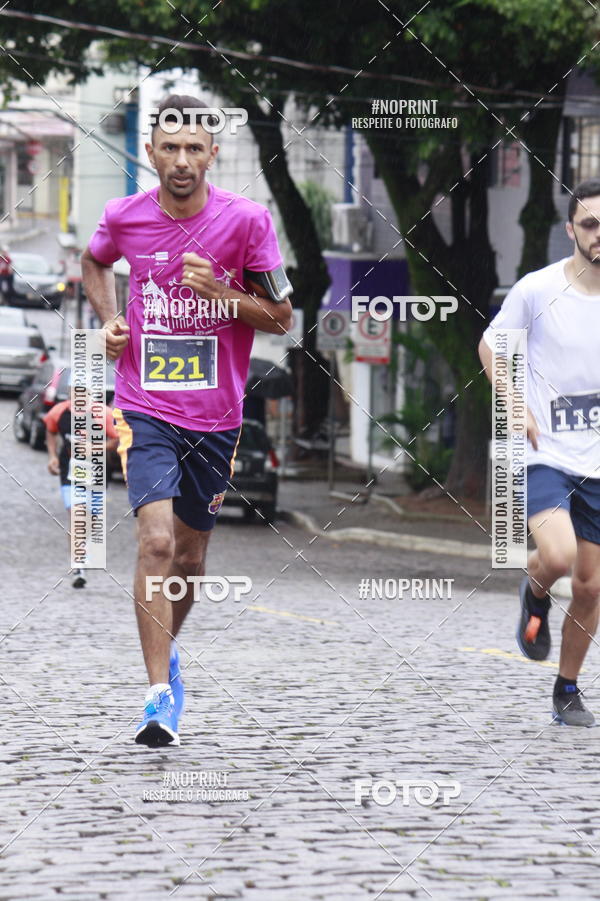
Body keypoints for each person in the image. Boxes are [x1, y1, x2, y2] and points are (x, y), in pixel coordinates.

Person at [81, 94, 292, 748]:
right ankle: (156, 696)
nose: (180, 161)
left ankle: (169, 651)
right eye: (169, 148)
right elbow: (94, 261)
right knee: (156, 543)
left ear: (212, 154)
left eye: (193, 149)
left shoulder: (247, 222)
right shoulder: (124, 216)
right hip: (144, 403)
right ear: (150, 153)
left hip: (216, 416)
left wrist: (224, 294)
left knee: (192, 556)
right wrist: (110, 320)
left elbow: (283, 316)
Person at [478, 178, 600, 727]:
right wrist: (515, 404)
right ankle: (533, 590)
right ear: (571, 229)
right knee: (558, 557)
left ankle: (567, 689)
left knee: (592, 585)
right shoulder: (537, 288)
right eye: (591, 223)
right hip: (544, 450)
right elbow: (490, 344)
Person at [44, 373, 118, 589]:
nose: (78, 395)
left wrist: (95, 448)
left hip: (96, 475)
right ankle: (78, 565)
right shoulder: (60, 411)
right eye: (74, 391)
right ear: (69, 392)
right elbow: (50, 431)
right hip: (70, 474)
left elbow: (118, 439)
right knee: (77, 515)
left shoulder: (103, 414)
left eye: (82, 391)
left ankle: (83, 554)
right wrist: (52, 456)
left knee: (91, 519)